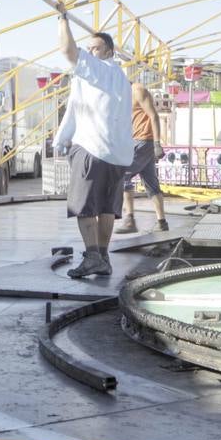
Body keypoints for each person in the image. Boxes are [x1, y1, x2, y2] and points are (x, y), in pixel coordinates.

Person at [54, 17, 133, 278]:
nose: (90, 52)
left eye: (95, 48)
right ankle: (103, 257)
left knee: (84, 207)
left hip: (93, 150)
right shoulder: (121, 77)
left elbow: (68, 50)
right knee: (107, 208)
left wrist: (62, 19)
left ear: (108, 52)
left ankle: (91, 258)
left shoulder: (98, 70)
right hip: (118, 155)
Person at [113, 81, 168, 234]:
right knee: (151, 184)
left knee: (122, 175)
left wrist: (157, 143)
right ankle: (162, 222)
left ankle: (129, 220)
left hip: (144, 141)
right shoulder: (123, 96)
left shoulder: (138, 91)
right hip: (138, 141)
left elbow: (154, 116)